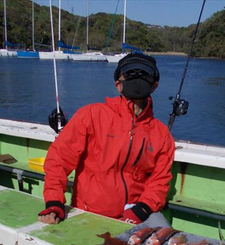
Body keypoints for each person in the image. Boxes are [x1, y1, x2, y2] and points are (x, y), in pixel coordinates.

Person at [38, 53, 175, 226]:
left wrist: (143, 208)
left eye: (145, 74)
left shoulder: (162, 134)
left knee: (168, 243)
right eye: (130, 73)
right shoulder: (90, 115)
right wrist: (54, 202)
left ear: (154, 85)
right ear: (118, 84)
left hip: (138, 213)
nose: (138, 77)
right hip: (90, 212)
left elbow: (159, 180)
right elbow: (59, 159)